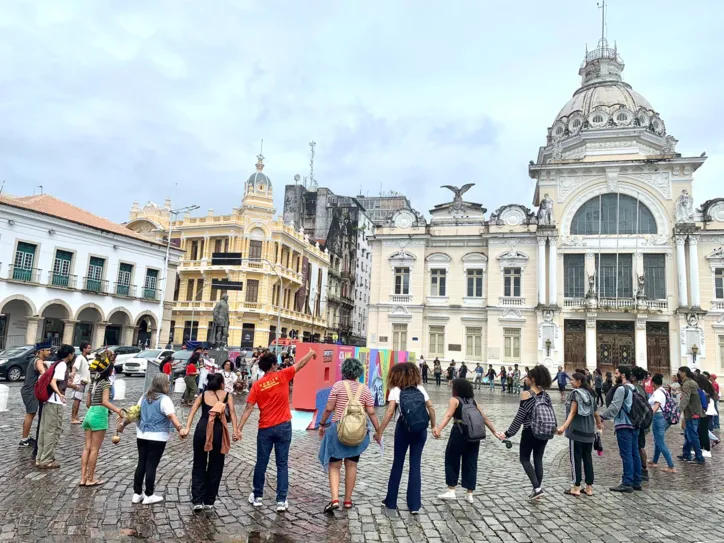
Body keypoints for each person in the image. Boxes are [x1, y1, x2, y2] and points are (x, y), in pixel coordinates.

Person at [237, 349, 317, 512]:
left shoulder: (258, 385)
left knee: (261, 463)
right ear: (274, 365)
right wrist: (310, 353)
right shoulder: (283, 375)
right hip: (283, 426)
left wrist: (238, 429)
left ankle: (258, 496)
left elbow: (248, 408)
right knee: (282, 464)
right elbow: (300, 364)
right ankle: (281, 500)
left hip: (265, 428)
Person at [318, 358, 380, 513]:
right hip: (357, 432)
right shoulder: (365, 389)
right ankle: (347, 500)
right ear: (358, 372)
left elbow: (328, 408)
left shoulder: (338, 386)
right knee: (352, 465)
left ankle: (334, 499)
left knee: (334, 465)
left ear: (344, 371)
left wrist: (322, 424)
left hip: (338, 430)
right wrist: (378, 430)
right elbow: (371, 412)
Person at [119, 373, 187, 505]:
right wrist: (180, 428)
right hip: (158, 437)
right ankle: (149, 494)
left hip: (142, 434)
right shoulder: (164, 399)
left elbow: (134, 413)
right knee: (151, 465)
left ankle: (137, 493)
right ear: (164, 385)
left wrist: (123, 424)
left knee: (141, 463)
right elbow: (171, 416)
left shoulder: (144, 397)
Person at [377, 363, 435, 514]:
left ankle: (391, 501)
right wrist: (433, 426)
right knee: (415, 464)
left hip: (403, 429)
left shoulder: (396, 390)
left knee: (398, 464)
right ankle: (414, 505)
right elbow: (431, 408)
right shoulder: (420, 389)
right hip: (420, 430)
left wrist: (380, 431)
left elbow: (390, 412)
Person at [434, 378, 501, 503]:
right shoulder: (473, 401)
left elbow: (448, 415)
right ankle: (469, 494)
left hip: (459, 432)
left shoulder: (454, 400)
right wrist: (495, 432)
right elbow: (485, 418)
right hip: (474, 435)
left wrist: (439, 428)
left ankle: (451, 490)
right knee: (471, 461)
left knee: (451, 458)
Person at [498, 365, 553, 500]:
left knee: (524, 459)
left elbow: (520, 417)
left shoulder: (526, 395)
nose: (525, 379)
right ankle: (537, 490)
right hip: (544, 431)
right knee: (538, 459)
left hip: (530, 430)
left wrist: (507, 433)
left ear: (532, 379)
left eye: (527, 377)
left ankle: (537, 488)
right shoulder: (546, 395)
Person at [184, 373, 238, 511]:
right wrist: (235, 431)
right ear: (221, 383)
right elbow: (232, 413)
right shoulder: (226, 395)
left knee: (199, 464)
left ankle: (197, 499)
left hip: (202, 430)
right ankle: (209, 500)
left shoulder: (203, 395)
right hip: (218, 431)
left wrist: (187, 428)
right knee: (216, 465)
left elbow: (192, 411)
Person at [556, 372, 602, 496]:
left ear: (579, 382)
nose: (570, 381)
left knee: (575, 459)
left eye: (572, 380)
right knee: (588, 459)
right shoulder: (591, 395)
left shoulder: (576, 394)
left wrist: (563, 427)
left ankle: (576, 487)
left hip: (576, 432)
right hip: (589, 433)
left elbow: (572, 412)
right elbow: (596, 414)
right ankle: (589, 487)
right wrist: (599, 425)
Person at [80, 353, 123, 487]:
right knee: (94, 449)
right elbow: (105, 401)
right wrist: (118, 411)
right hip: (99, 414)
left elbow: (87, 402)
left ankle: (83, 478)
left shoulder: (93, 383)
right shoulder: (106, 384)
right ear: (109, 371)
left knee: (87, 448)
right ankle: (91, 478)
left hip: (89, 413)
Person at [599, 365, 643, 492]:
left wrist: (602, 416)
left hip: (623, 424)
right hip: (635, 424)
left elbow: (614, 407)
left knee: (626, 454)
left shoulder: (621, 389)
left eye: (617, 373)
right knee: (635, 453)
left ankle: (627, 482)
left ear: (623, 375)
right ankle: (637, 480)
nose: (615, 376)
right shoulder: (635, 389)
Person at [36, 344, 75, 469]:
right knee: (53, 431)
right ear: (69, 354)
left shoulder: (55, 363)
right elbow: (53, 381)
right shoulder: (62, 365)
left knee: (44, 430)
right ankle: (47, 460)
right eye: (72, 353)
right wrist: (60, 394)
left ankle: (40, 458)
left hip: (48, 401)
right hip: (54, 401)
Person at [19, 342, 50, 448]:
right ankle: (24, 440)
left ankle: (26, 437)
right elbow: (43, 373)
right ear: (41, 351)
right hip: (30, 391)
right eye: (47, 350)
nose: (50, 352)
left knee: (31, 413)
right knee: (30, 413)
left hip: (29, 390)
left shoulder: (37, 360)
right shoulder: (38, 361)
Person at [648, 373, 676, 473]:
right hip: (664, 417)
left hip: (659, 418)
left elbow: (656, 405)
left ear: (653, 383)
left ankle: (671, 466)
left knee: (660, 442)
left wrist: (649, 415)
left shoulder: (658, 393)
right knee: (658, 440)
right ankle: (654, 461)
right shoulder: (663, 390)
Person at [676, 366, 705, 464]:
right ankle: (686, 454)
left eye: (680, 372)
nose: (678, 374)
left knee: (693, 435)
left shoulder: (687, 384)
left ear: (684, 373)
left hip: (692, 413)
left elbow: (685, 398)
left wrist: (679, 410)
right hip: (693, 412)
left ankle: (699, 457)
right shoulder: (692, 382)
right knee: (688, 435)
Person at [630, 366, 650, 481]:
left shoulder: (637, 389)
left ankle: (642, 470)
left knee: (639, 446)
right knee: (640, 446)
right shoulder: (641, 388)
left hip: (638, 422)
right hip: (641, 422)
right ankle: (642, 469)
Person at [70, 341, 92, 425]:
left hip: (83, 382)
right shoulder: (80, 357)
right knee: (77, 400)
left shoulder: (85, 358)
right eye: (89, 348)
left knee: (78, 400)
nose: (90, 349)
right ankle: (73, 418)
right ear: (84, 349)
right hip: (79, 382)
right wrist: (72, 375)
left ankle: (76, 416)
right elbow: (75, 367)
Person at [695, 374, 716, 458]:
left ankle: (707, 450)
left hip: (706, 412)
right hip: (707, 412)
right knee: (701, 431)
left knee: (703, 431)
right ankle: (701, 448)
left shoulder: (703, 390)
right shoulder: (707, 388)